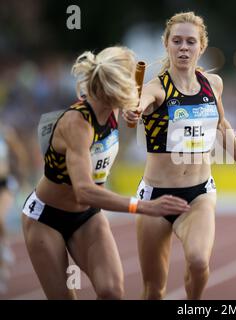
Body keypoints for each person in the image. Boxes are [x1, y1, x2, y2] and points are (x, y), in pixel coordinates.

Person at [22, 46, 191, 300]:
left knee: (111, 291)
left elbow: (137, 103)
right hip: (47, 217)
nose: (137, 86)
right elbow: (85, 191)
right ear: (115, 88)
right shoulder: (77, 124)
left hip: (87, 217)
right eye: (132, 80)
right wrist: (143, 206)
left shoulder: (111, 108)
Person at [122, 11, 236, 300]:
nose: (184, 47)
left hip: (198, 193)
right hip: (155, 197)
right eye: (177, 41)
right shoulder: (155, 88)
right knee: (153, 290)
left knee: (198, 262)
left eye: (190, 42)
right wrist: (134, 111)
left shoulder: (214, 84)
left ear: (202, 47)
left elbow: (222, 125)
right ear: (167, 45)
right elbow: (139, 104)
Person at [0, 122, 28, 293]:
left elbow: (19, 154)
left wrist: (18, 174)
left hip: (4, 183)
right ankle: (3, 246)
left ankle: (3, 251)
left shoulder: (4, 131)